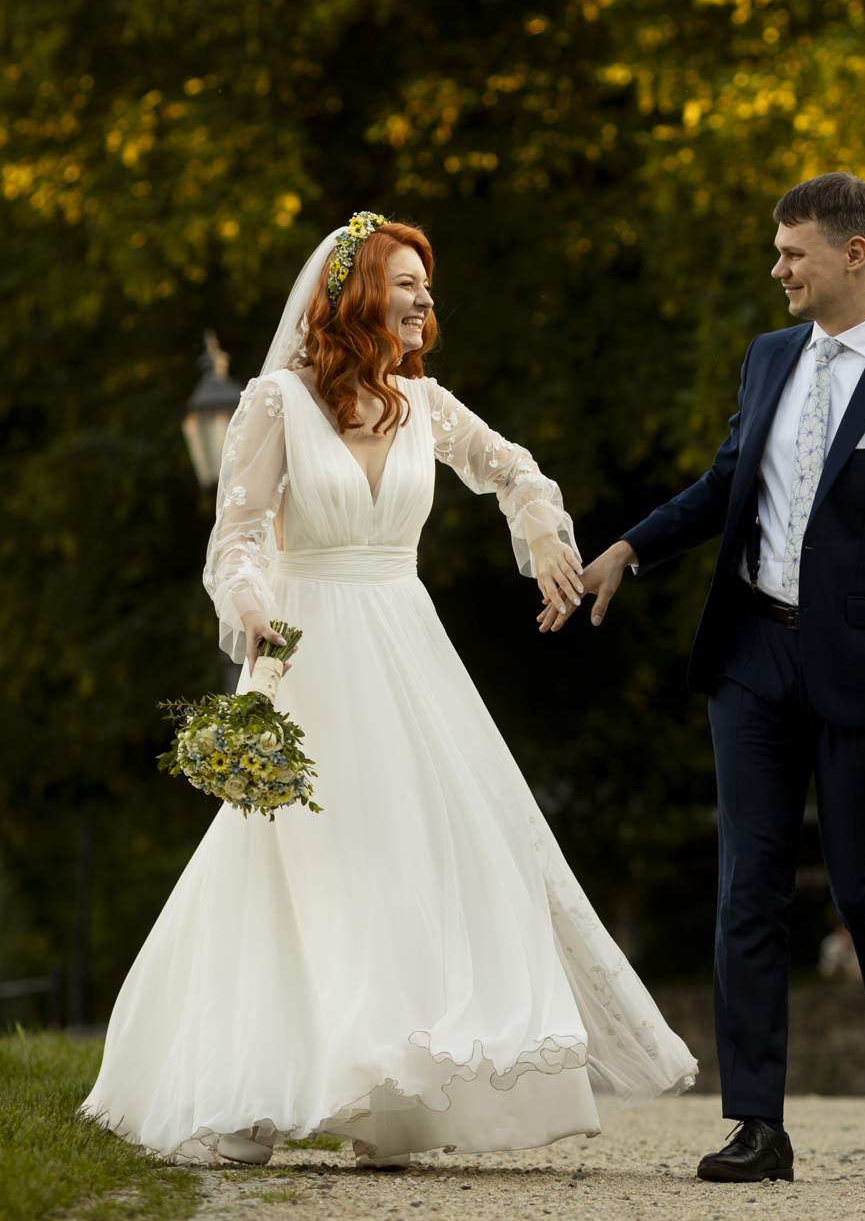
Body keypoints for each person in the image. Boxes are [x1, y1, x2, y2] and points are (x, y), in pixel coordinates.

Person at [84, 215, 696, 1165]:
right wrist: (250, 607)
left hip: (407, 649)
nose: (423, 300)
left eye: (426, 285)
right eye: (405, 282)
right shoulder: (275, 402)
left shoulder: (424, 402)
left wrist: (542, 537)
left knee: (415, 851)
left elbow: (514, 471)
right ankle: (245, 1093)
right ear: (355, 294)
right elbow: (236, 538)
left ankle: (389, 1098)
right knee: (294, 861)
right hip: (308, 646)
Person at [556, 173, 865, 1186]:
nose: (776, 269)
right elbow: (726, 481)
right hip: (752, 655)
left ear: (853, 252)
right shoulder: (767, 357)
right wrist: (628, 548)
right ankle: (757, 1124)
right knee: (746, 888)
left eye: (792, 252)